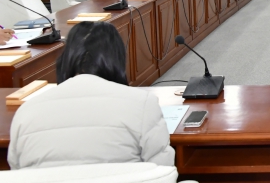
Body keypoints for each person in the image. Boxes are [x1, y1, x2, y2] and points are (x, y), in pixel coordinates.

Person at [8, 21, 174, 169]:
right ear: (117, 58)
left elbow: (16, 169)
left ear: (66, 58)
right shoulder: (142, 103)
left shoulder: (27, 110)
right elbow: (161, 169)